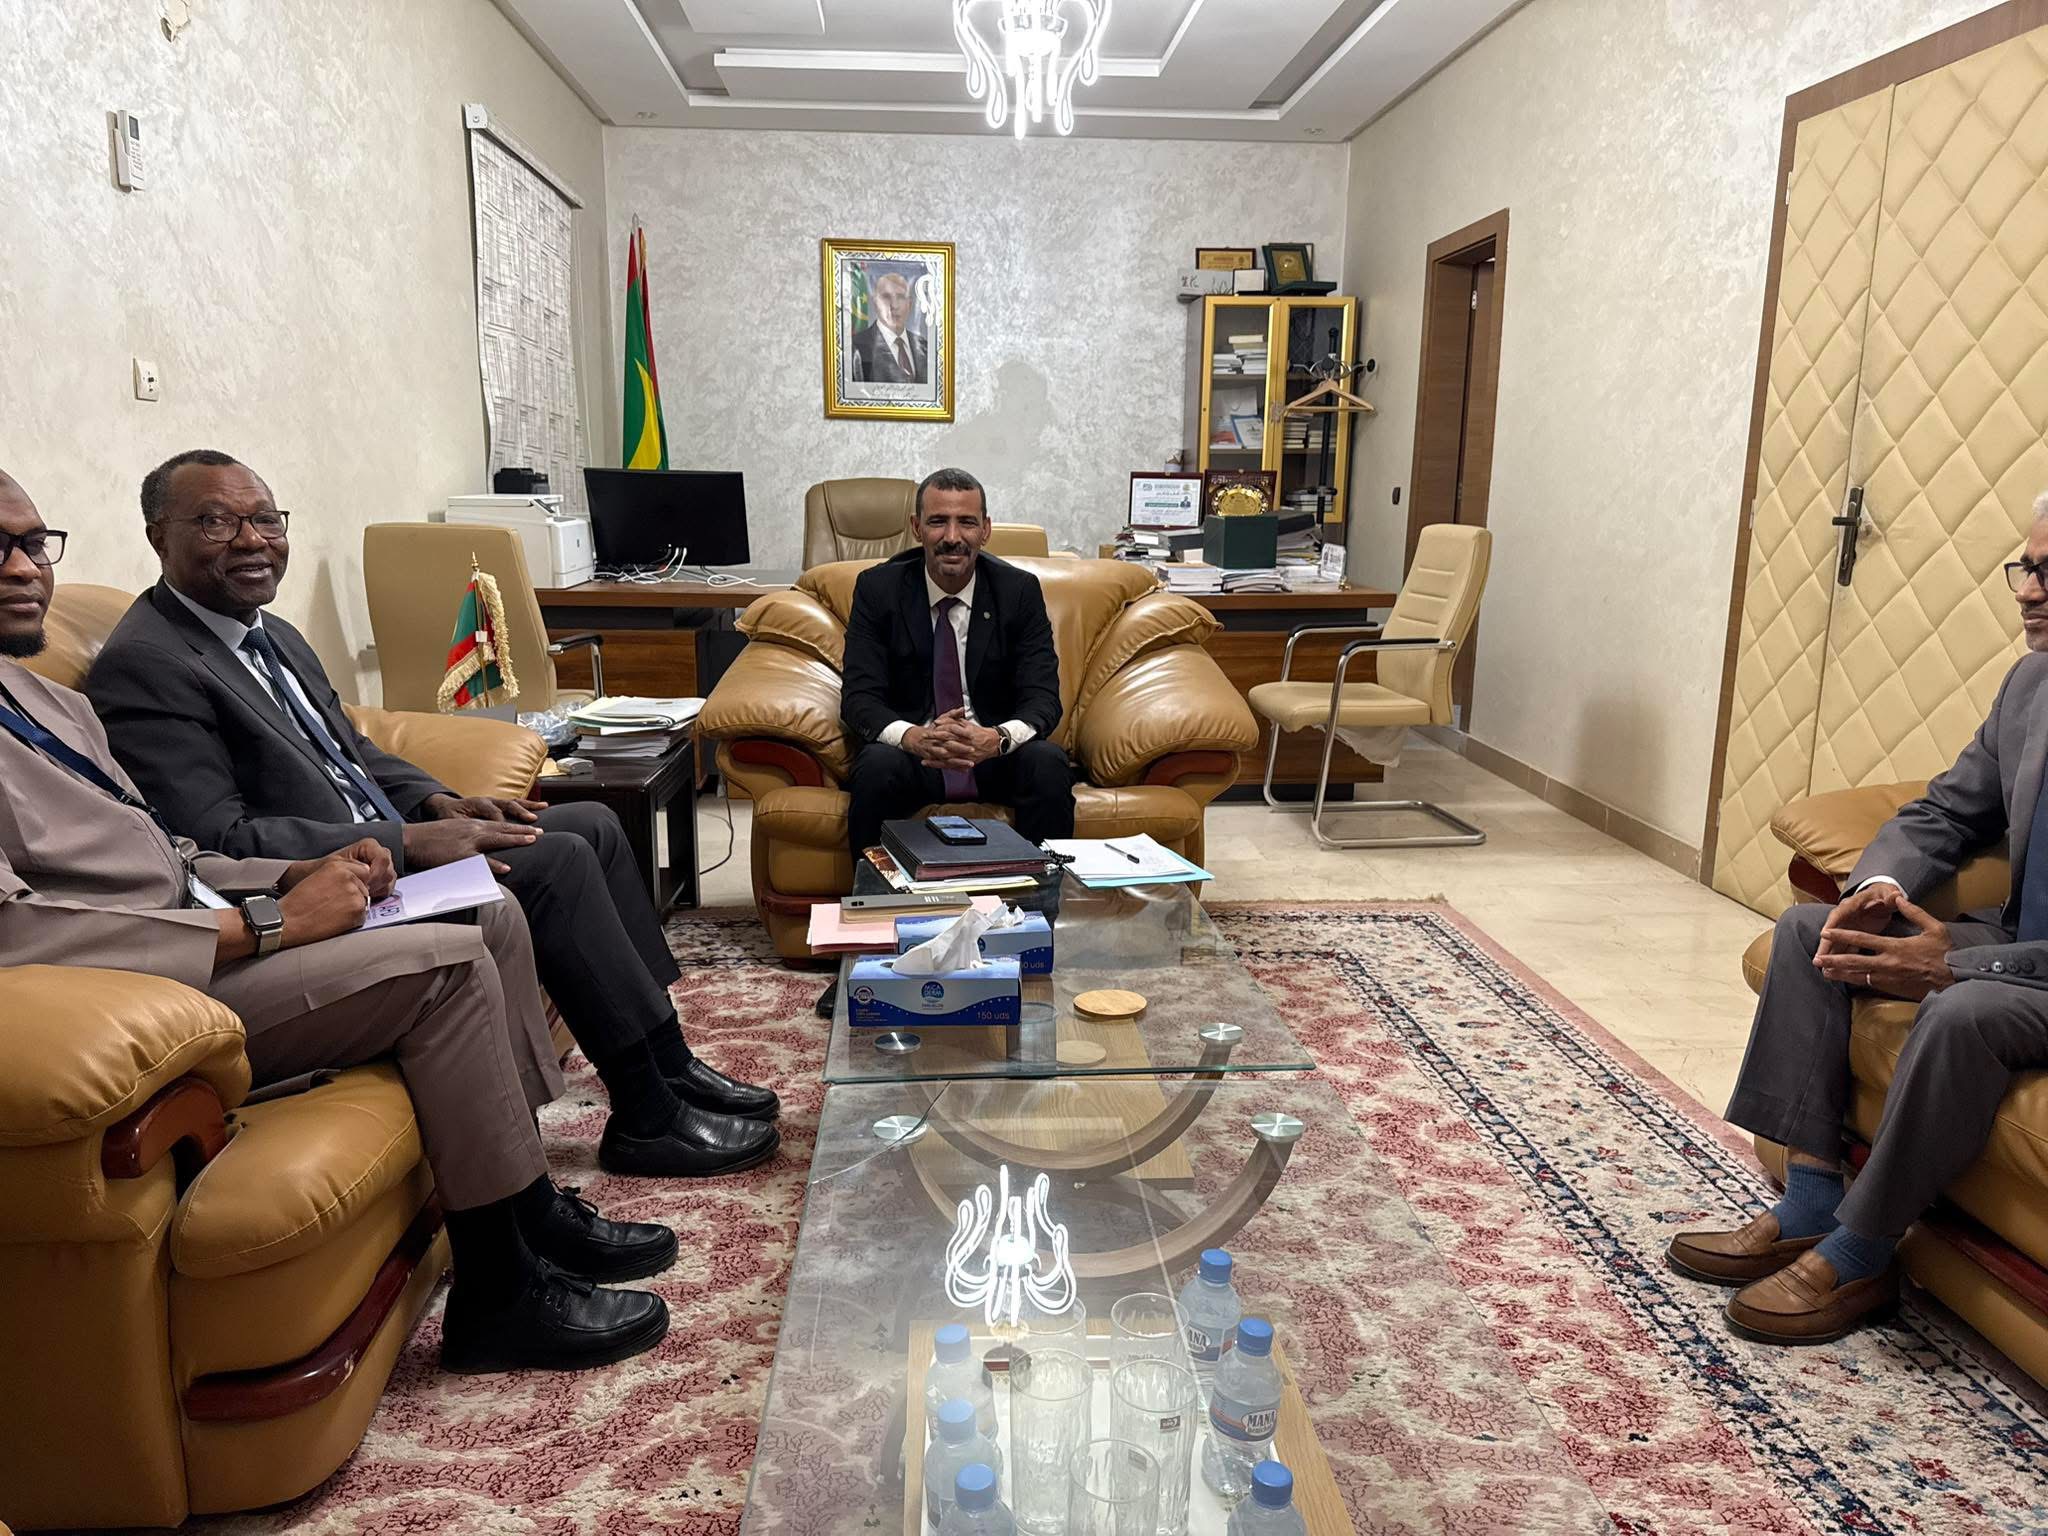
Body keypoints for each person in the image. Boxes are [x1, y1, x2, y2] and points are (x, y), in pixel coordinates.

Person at [0, 468, 671, 1374]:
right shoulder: (142, 665)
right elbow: (20, 931)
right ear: (161, 537)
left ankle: (532, 1206)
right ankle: (503, 1295)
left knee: (492, 910)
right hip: (141, 993)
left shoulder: (47, 697)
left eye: (33, 544)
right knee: (447, 960)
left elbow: (173, 850)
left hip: (215, 913)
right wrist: (270, 922)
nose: (24, 568)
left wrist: (301, 872)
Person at [85, 449, 778, 1182]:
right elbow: (219, 837)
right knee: (554, 861)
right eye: (217, 523)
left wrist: (437, 799)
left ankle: (669, 1060)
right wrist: (411, 838)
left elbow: (352, 748)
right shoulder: (149, 663)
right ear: (159, 537)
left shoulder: (271, 632)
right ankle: (645, 1113)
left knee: (594, 826)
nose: (253, 540)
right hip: (332, 886)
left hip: (386, 842)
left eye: (265, 520)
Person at [1668, 500, 2048, 1345]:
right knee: (1814, 932)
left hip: (2028, 978)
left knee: (1963, 1011)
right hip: (2015, 940)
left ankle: (1861, 1254)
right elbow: (1947, 810)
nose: (2028, 592)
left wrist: (1959, 967)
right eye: (2026, 569)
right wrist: (1876, 886)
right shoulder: (2031, 685)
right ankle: (1809, 1199)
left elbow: (1971, 981)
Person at [850, 270, 929, 385]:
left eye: (901, 297)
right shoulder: (855, 348)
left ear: (910, 304)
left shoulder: (925, 347)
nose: (894, 305)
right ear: (875, 303)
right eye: (886, 297)